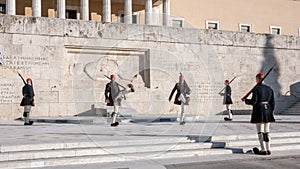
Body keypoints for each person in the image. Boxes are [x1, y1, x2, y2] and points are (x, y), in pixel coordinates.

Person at [242, 73, 275, 155]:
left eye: (256, 79)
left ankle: (263, 149)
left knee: (260, 131)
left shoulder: (257, 89)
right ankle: (268, 149)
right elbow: (272, 102)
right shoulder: (269, 89)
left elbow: (254, 102)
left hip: (259, 110)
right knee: (267, 131)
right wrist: (271, 111)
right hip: (268, 109)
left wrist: (246, 100)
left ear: (258, 79)